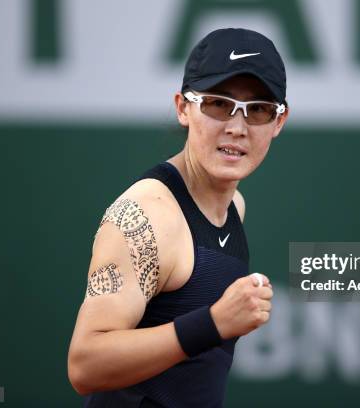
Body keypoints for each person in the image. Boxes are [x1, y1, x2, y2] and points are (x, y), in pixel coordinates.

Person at [67, 27, 289, 408]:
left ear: (278, 123)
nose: (237, 127)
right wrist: (214, 323)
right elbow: (85, 365)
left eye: (259, 110)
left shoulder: (234, 204)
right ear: (183, 108)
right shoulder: (147, 217)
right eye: (218, 104)